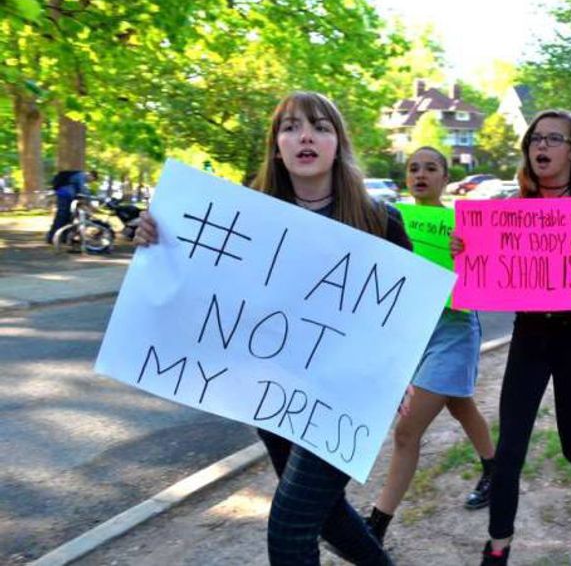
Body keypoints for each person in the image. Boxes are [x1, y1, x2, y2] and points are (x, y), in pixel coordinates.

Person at [134, 91, 410, 566]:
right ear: (277, 146)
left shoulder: (379, 220)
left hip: (344, 395)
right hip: (271, 388)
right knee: (325, 515)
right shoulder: (246, 218)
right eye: (291, 127)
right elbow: (202, 286)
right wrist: (158, 241)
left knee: (289, 528)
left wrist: (399, 372)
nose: (305, 137)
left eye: (320, 127)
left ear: (338, 144)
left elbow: (406, 310)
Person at [462, 110, 571, 565]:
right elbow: (481, 272)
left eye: (554, 139)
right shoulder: (512, 211)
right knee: (509, 451)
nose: (541, 146)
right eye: (536, 138)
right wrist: (465, 250)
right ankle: (498, 547)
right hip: (530, 340)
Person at [363, 146, 496, 545]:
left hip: (453, 331)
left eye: (431, 168)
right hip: (412, 332)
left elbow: (488, 277)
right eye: (413, 168)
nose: (421, 174)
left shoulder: (462, 227)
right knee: (459, 404)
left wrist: (468, 255)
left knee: (406, 432)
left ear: (445, 178)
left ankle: (376, 526)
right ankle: (496, 471)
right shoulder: (392, 219)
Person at [47, 169, 97, 244]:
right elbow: (82, 189)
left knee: (68, 218)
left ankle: (64, 238)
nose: (90, 182)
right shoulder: (81, 175)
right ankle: (52, 238)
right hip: (65, 195)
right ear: (91, 175)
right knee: (61, 217)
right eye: (91, 180)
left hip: (66, 195)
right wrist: (90, 202)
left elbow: (83, 190)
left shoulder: (80, 176)